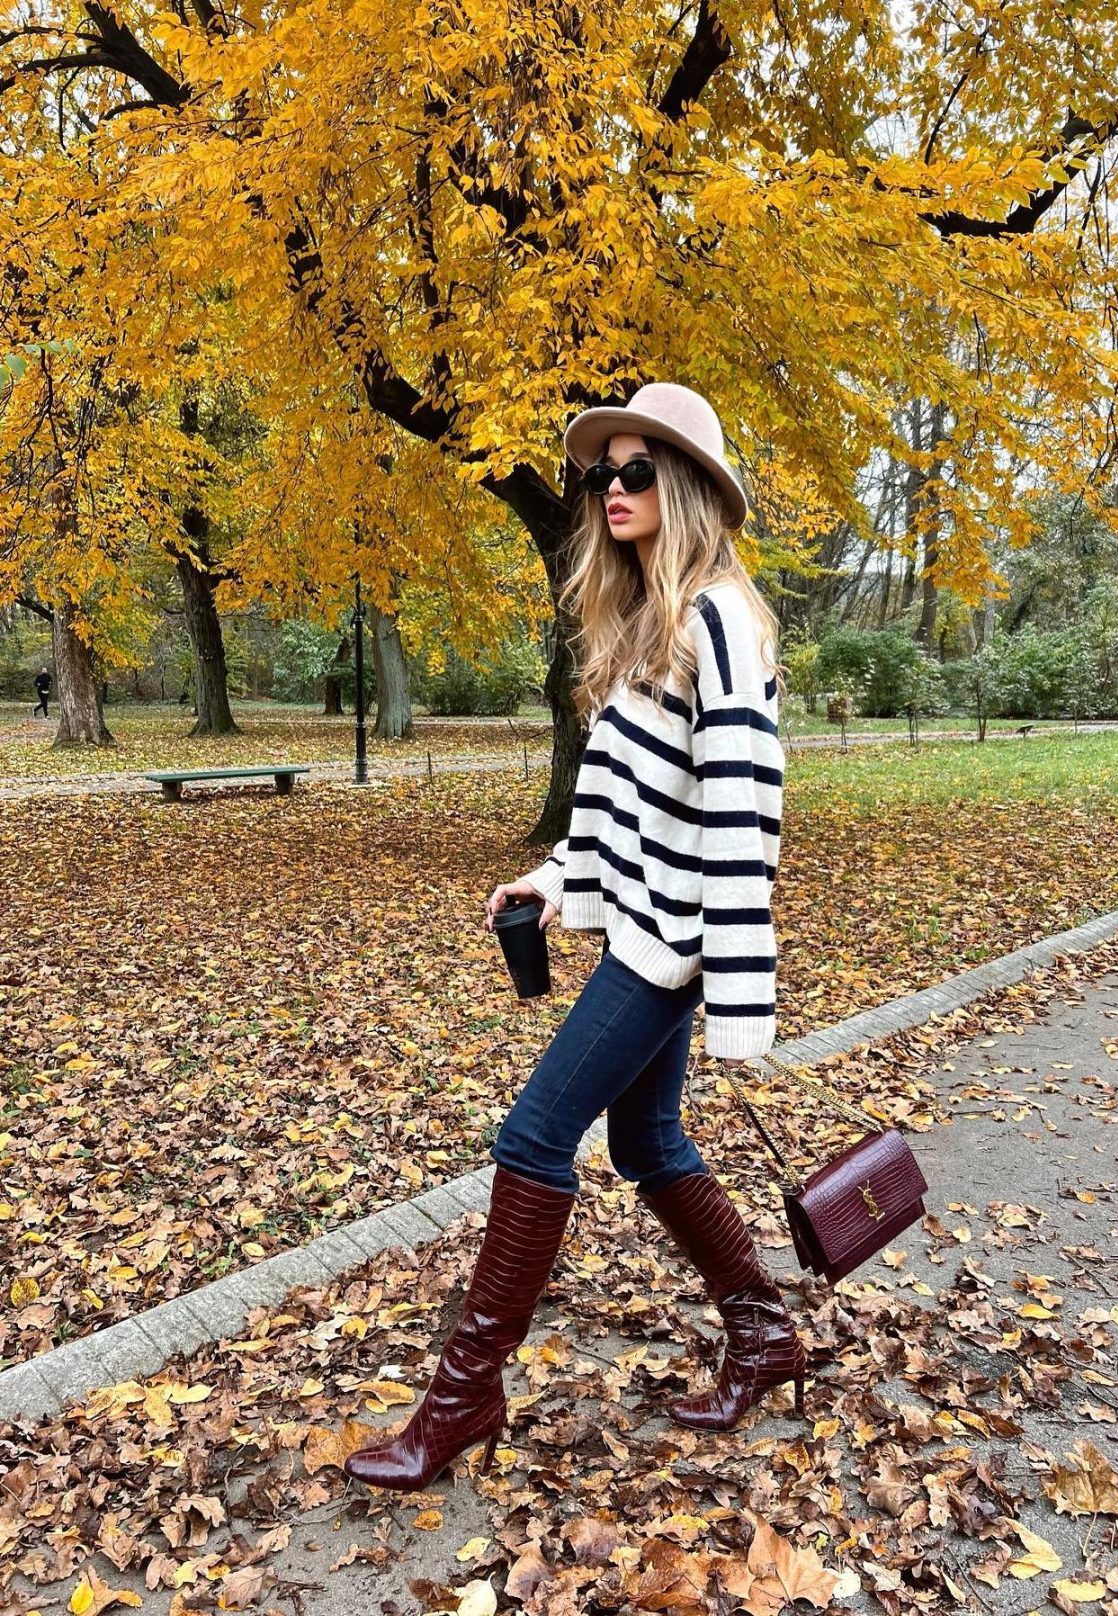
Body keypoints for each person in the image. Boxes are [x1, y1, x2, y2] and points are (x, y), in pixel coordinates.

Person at [344, 382, 798, 1493]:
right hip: (639, 925)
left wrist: (737, 990)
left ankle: (464, 1398)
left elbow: (740, 809)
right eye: (601, 474)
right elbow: (622, 802)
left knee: (532, 1136)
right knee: (648, 1144)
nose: (611, 491)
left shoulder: (718, 620)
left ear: (687, 486)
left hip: (672, 942)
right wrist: (556, 878)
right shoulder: (649, 617)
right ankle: (764, 1330)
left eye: (637, 471)